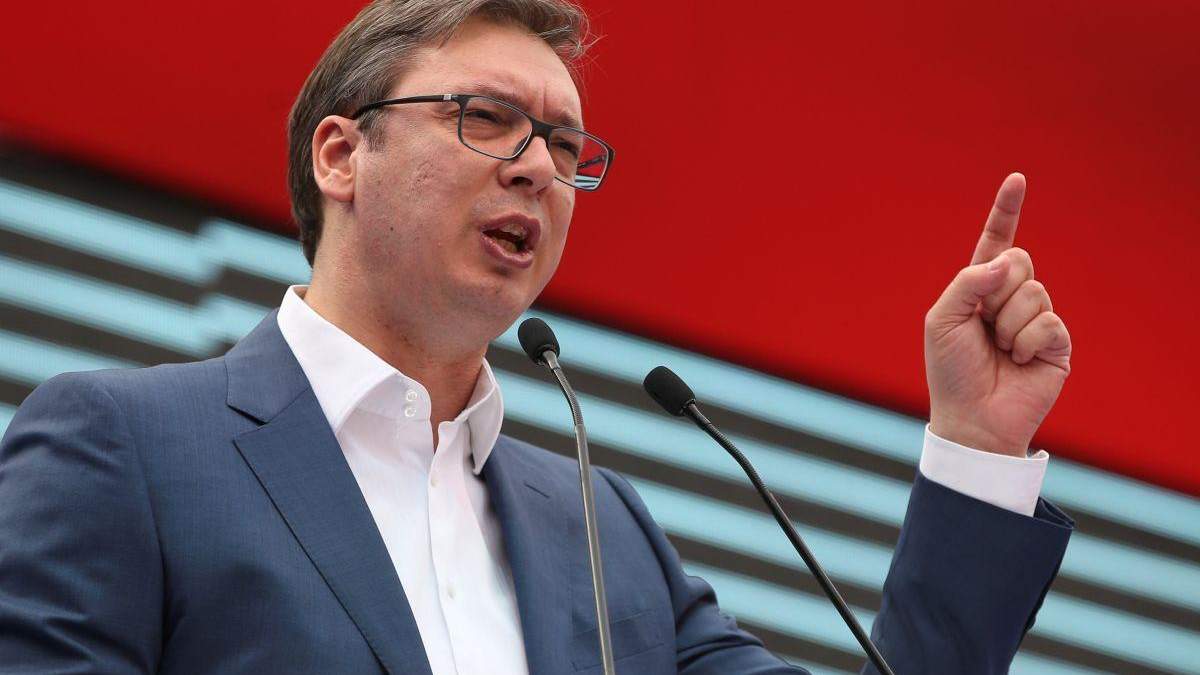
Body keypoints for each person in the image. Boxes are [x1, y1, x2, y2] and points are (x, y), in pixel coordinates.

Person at [0, 1, 1074, 673]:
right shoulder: (123, 447)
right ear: (341, 155)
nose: (536, 168)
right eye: (486, 118)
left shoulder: (605, 532)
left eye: (564, 145)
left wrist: (977, 446)